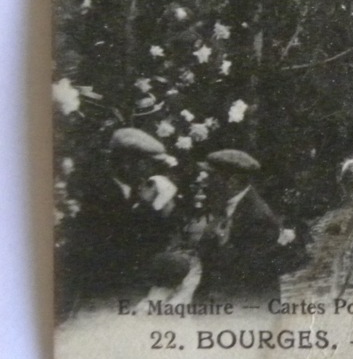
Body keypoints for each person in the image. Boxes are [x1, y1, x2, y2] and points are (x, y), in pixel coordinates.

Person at [63, 126, 182, 309]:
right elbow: (115, 243)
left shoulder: (135, 188)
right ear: (127, 162)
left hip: (127, 288)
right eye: (146, 164)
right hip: (98, 291)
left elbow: (154, 242)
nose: (149, 171)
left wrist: (164, 213)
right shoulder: (95, 190)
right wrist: (145, 208)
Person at [195, 149, 295, 303]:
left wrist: (223, 245)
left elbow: (250, 273)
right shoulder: (227, 205)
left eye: (211, 176)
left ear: (232, 181)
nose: (203, 181)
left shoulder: (258, 217)